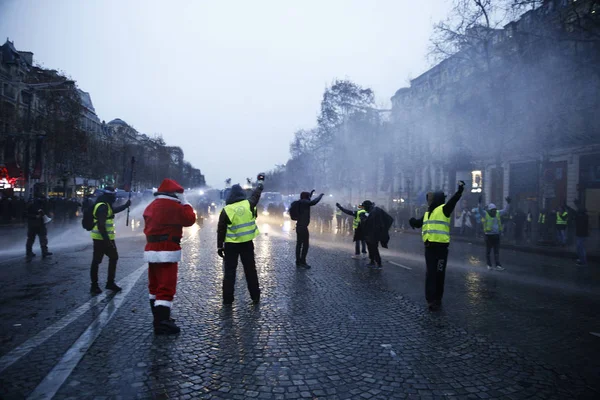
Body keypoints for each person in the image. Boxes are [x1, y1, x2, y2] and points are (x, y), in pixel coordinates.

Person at [143, 179, 196, 334]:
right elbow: (190, 219)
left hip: (151, 248)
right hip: (167, 249)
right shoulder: (174, 207)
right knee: (166, 285)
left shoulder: (151, 205)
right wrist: (185, 202)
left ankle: (157, 317)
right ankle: (162, 322)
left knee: (154, 285)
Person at [409, 182, 464, 311]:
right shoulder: (428, 213)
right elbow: (419, 223)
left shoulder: (444, 209)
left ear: (437, 199)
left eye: (431, 198)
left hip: (441, 249)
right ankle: (430, 299)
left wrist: (459, 191)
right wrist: (413, 221)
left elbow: (453, 201)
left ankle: (437, 299)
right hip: (429, 248)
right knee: (430, 274)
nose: (429, 200)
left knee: (439, 274)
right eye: (428, 198)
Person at [217, 174, 265, 305]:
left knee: (229, 272)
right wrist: (260, 185)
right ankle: (255, 296)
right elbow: (255, 195)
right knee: (250, 270)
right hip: (247, 243)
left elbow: (221, 229)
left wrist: (219, 246)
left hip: (231, 245)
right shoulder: (248, 204)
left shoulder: (226, 210)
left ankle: (228, 299)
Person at [89, 187, 131, 295]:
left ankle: (109, 283)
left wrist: (125, 206)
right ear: (110, 195)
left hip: (105, 239)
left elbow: (113, 211)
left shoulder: (104, 204)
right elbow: (101, 226)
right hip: (102, 239)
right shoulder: (102, 206)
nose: (115, 197)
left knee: (112, 258)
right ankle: (95, 285)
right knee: (97, 261)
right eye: (113, 195)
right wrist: (108, 241)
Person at [479, 196, 511, 271]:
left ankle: (497, 265)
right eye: (492, 210)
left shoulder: (497, 213)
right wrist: (479, 203)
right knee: (488, 251)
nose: (494, 211)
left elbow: (505, 210)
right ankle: (489, 265)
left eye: (494, 210)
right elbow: (480, 210)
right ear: (489, 210)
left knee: (496, 251)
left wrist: (508, 203)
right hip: (488, 235)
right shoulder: (485, 214)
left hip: (496, 235)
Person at [294, 190, 324, 268]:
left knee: (299, 244)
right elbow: (313, 202)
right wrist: (320, 196)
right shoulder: (304, 202)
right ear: (306, 197)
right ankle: (303, 261)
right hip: (303, 227)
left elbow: (308, 201)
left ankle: (298, 261)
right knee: (305, 245)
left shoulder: (299, 202)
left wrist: (311, 194)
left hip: (298, 226)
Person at [360, 200, 394, 269]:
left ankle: (378, 264)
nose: (364, 209)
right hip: (372, 234)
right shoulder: (374, 210)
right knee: (371, 248)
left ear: (367, 206)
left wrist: (383, 229)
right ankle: (372, 262)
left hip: (373, 235)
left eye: (364, 207)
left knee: (374, 249)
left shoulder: (374, 212)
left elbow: (367, 222)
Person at [25, 193, 52, 260]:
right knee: (34, 238)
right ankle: (32, 252)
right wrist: (35, 216)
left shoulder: (41, 204)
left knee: (40, 238)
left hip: (38, 224)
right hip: (35, 224)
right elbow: (25, 214)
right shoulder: (32, 205)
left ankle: (42, 251)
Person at [566, 200, 589, 266]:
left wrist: (570, 207)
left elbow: (574, 212)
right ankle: (581, 260)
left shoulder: (582, 216)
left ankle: (583, 261)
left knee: (580, 247)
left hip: (582, 234)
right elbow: (574, 211)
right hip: (580, 234)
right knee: (580, 247)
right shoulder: (581, 216)